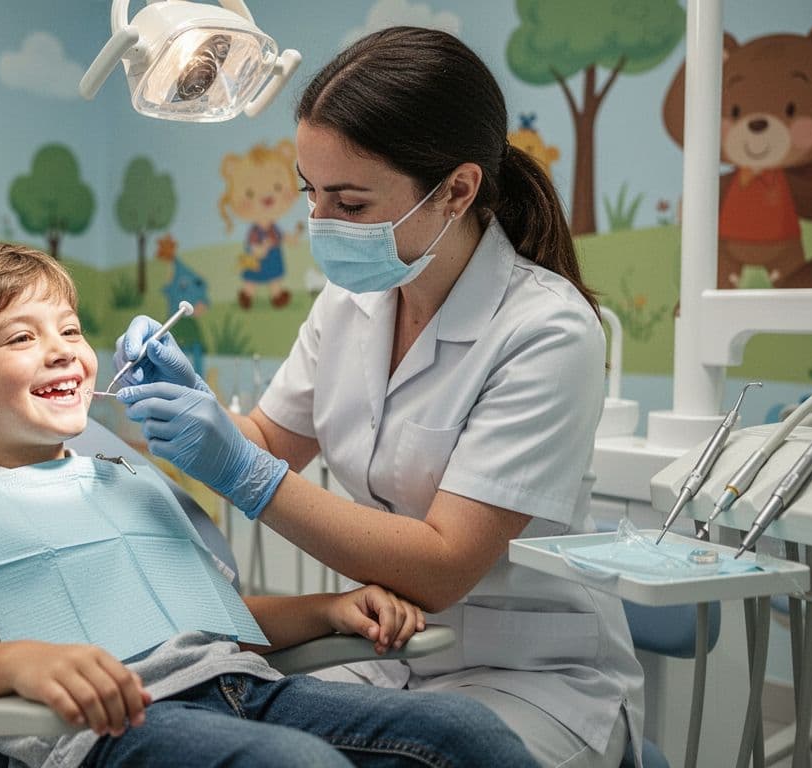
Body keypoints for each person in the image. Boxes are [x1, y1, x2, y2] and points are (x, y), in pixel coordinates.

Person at [114, 27, 645, 768]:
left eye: (351, 202)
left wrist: (240, 470)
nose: (320, 223)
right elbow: (269, 437)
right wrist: (188, 401)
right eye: (310, 192)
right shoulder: (351, 303)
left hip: (528, 675)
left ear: (456, 190)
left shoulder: (547, 330)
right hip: (381, 650)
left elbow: (442, 565)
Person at [0, 243, 538, 768]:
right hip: (115, 731)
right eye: (21, 338)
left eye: (70, 330)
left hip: (248, 690)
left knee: (463, 730)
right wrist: (26, 661)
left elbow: (213, 616)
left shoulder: (126, 475)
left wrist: (329, 608)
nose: (62, 351)